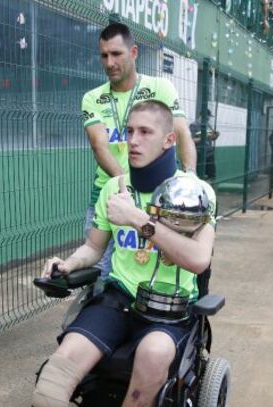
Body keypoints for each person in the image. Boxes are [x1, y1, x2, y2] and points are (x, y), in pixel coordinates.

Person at [32, 100, 216, 407]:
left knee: (153, 354)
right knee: (56, 376)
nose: (132, 140)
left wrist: (139, 220)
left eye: (145, 132)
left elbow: (199, 259)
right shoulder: (115, 190)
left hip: (171, 305)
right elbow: (94, 247)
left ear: (170, 139)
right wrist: (69, 263)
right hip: (119, 297)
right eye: (129, 131)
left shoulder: (195, 193)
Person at [82, 22, 197, 277]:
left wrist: (190, 180)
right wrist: (125, 187)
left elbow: (181, 133)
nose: (109, 62)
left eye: (116, 54)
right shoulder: (93, 98)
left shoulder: (161, 88)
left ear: (133, 53)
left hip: (157, 198)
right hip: (110, 197)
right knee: (98, 276)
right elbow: (99, 146)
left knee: (161, 272)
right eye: (104, 55)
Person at [190, 109, 219, 181]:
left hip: (209, 153)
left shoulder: (208, 125)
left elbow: (211, 138)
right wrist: (203, 137)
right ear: (201, 116)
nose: (208, 119)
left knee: (212, 176)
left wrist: (215, 136)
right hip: (199, 153)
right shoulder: (194, 125)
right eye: (207, 117)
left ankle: (209, 190)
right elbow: (191, 141)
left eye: (209, 117)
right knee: (199, 176)